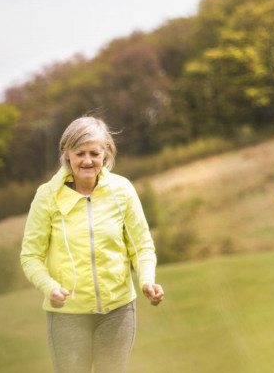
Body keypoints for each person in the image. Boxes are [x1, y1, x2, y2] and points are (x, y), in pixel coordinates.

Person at [20, 116, 163, 373]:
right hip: (68, 317)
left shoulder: (122, 191)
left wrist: (146, 281)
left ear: (106, 153)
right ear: (67, 154)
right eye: (80, 153)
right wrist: (49, 287)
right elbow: (30, 256)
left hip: (118, 311)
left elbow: (141, 247)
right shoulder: (47, 196)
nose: (87, 160)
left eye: (94, 153)